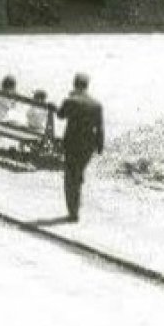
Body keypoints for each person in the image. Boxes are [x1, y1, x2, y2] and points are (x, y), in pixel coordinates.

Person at [56, 73, 104, 222]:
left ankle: (73, 212)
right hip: (88, 146)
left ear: (74, 84)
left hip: (72, 144)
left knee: (70, 178)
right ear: (87, 85)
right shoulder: (96, 104)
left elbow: (60, 115)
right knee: (78, 174)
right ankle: (76, 202)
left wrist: (67, 99)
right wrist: (100, 146)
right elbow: (100, 127)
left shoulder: (71, 101)